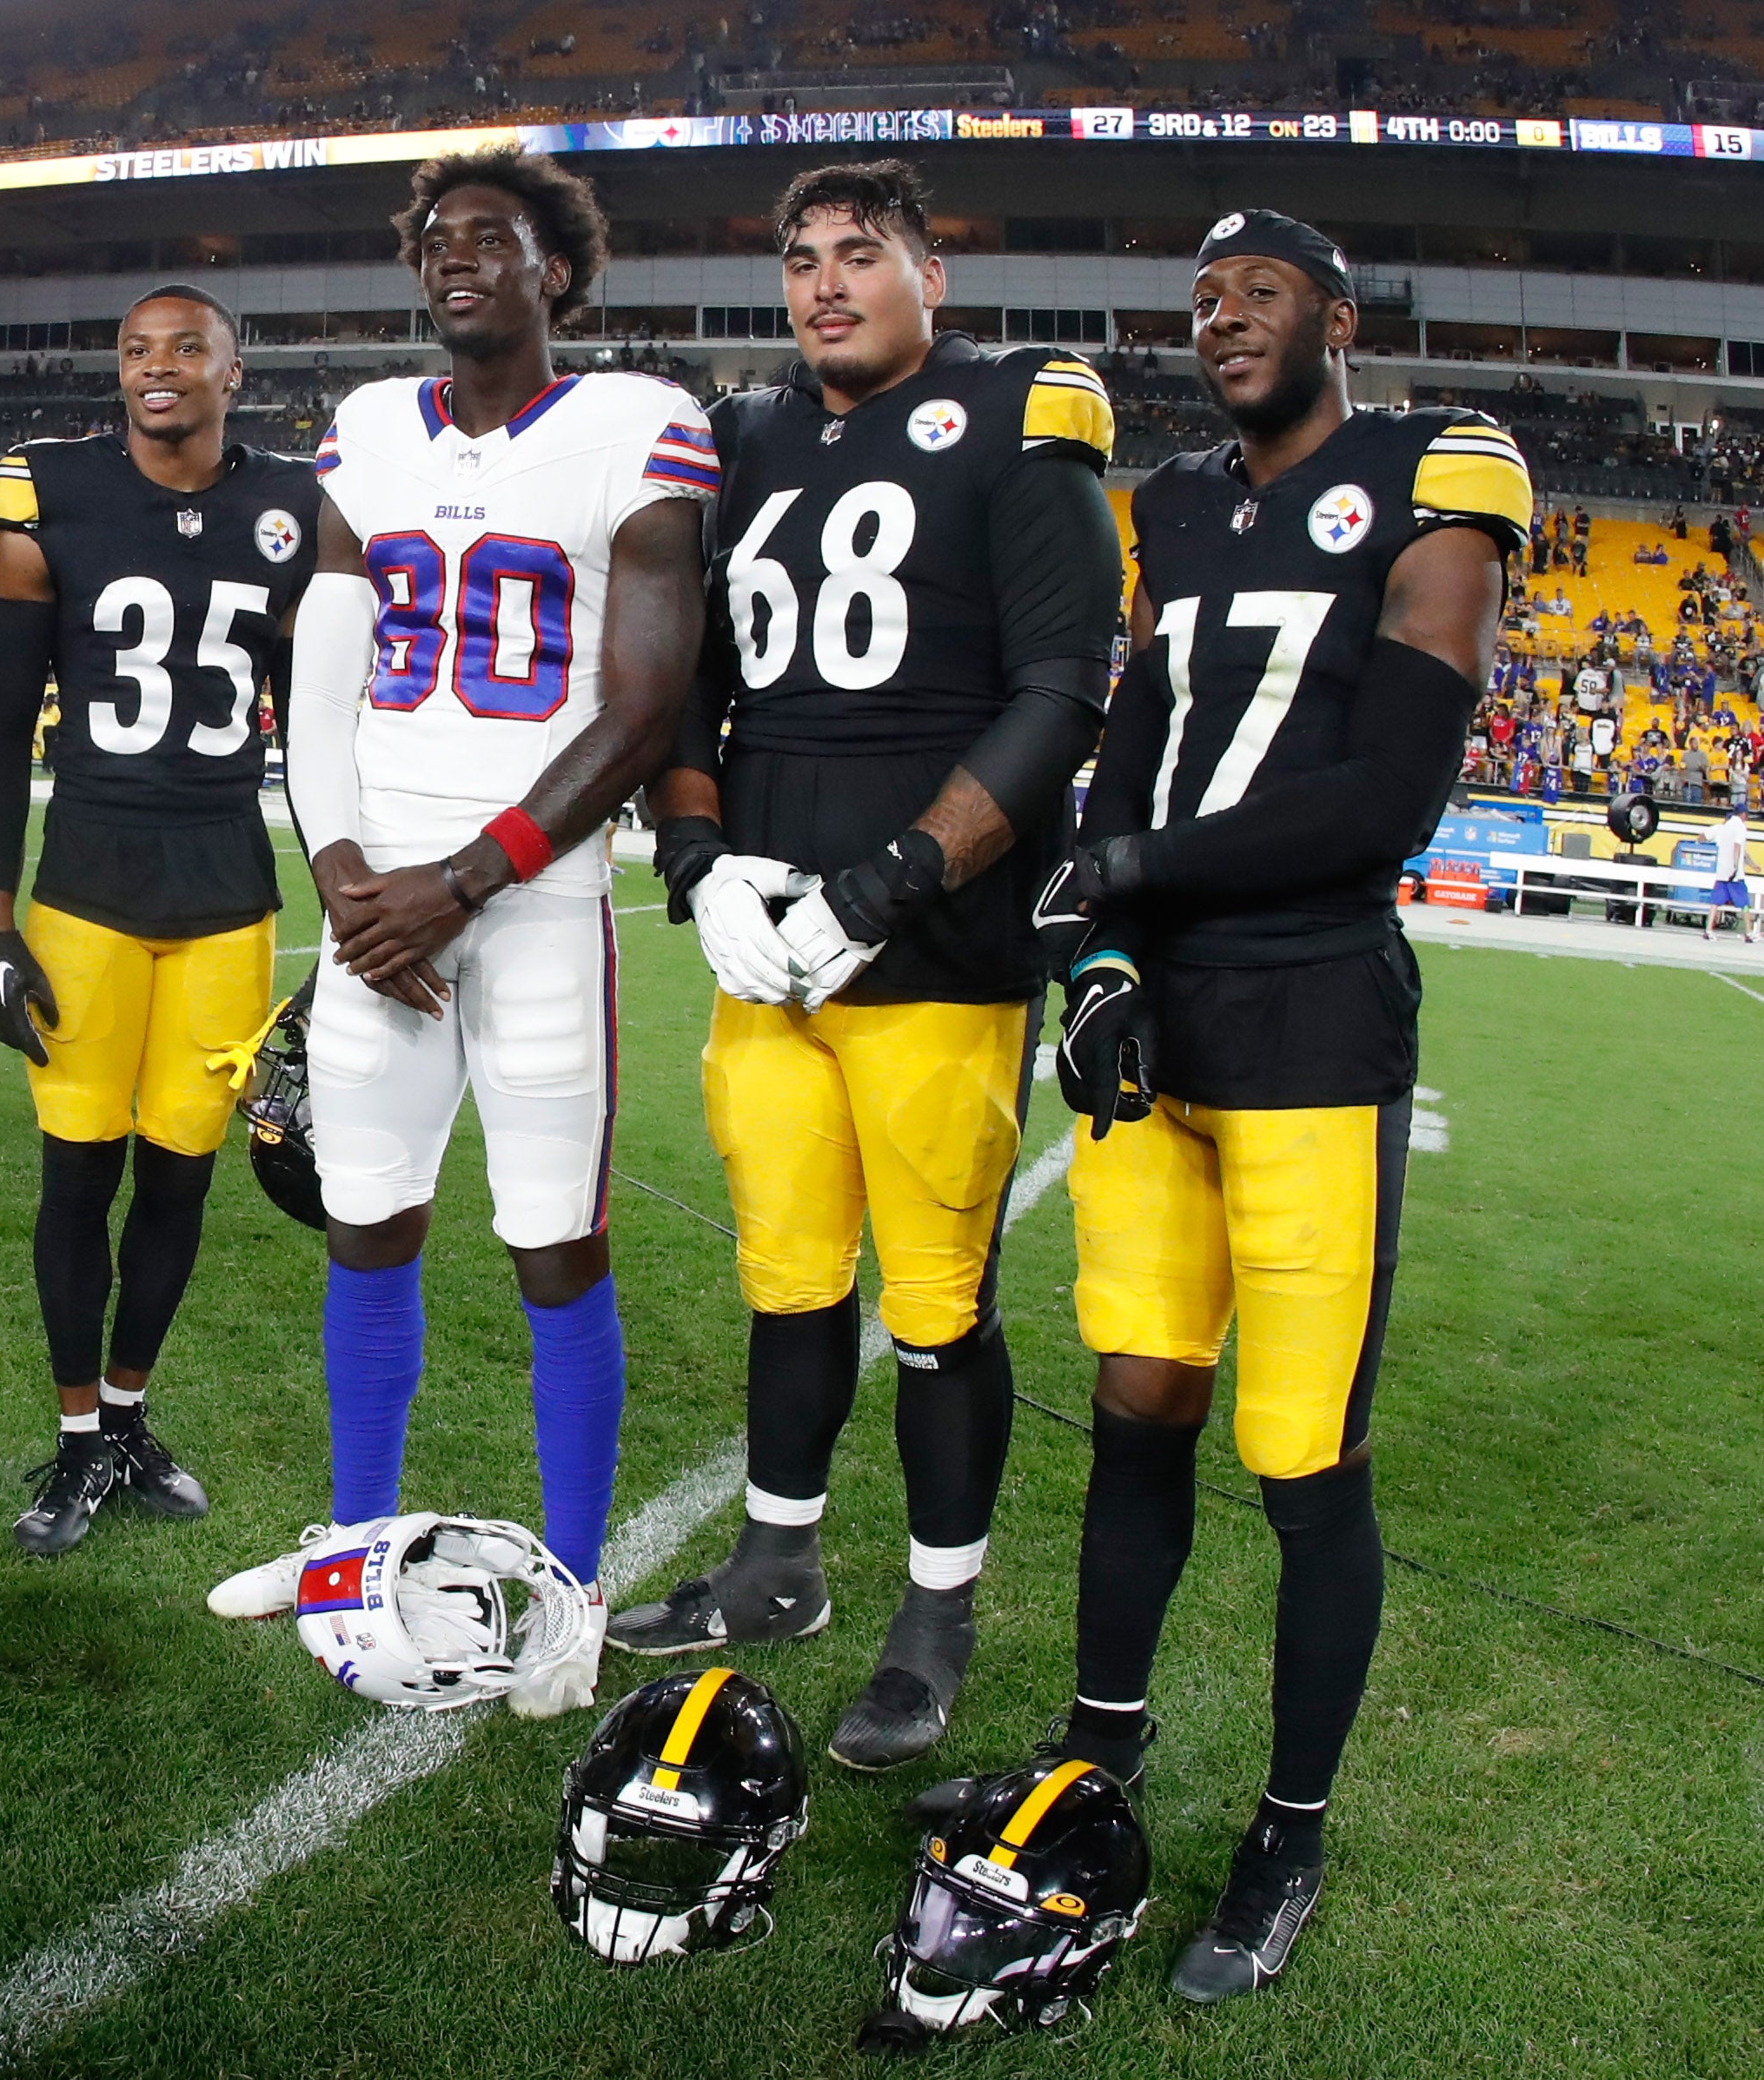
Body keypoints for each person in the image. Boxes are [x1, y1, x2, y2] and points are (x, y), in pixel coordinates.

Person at [972, 209, 1530, 2003]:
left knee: (1299, 1454)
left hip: (1310, 1010)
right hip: (1169, 1015)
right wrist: (1106, 950)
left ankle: (1289, 1829)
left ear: (1338, 318)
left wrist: (1135, 862)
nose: (1220, 320)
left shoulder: (1437, 472)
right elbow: (1129, 749)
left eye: (1258, 295)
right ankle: (1099, 1748)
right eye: (1201, 297)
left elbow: (1390, 797)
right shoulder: (1183, 507)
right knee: (1137, 1399)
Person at [613, 159, 1124, 1774]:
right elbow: (679, 686)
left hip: (933, 949)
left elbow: (1061, 690)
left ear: (930, 275)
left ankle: (936, 1607)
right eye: (802, 259)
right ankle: (776, 1561)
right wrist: (696, 861)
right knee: (784, 1268)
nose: (825, 282)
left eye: (860, 254)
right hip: (765, 940)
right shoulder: (743, 433)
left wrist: (896, 876)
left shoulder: (1019, 410)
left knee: (936, 1302)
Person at [202, 146, 713, 1722]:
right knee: (366, 1218)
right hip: (379, 908)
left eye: (488, 238)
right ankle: (354, 1539)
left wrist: (460, 881)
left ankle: (571, 1585)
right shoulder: (366, 430)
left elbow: (643, 710)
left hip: (534, 892)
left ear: (558, 269)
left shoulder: (638, 423)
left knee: (554, 1237)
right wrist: (350, 876)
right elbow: (322, 678)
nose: (453, 260)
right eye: (434, 241)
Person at [0, 287, 318, 1555]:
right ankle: (70, 1442)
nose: (155, 368)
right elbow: (0, 723)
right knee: (76, 1175)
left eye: (183, 348)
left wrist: (359, 888)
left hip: (228, 895)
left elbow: (325, 714)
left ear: (235, 363)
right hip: (85, 895)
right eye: (133, 349)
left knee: (177, 1180)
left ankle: (125, 1417)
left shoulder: (298, 501)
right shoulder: (49, 485)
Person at [1708, 806, 1752, 941]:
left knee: (1715, 902)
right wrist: (1735, 867)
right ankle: (1749, 932)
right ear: (1743, 814)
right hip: (1734, 874)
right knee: (1744, 903)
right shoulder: (1740, 827)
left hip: (1722, 871)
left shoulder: (1725, 826)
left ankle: (1708, 929)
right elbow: (1737, 847)